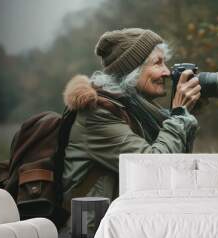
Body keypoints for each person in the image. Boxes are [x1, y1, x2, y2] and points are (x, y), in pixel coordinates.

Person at [61, 28, 201, 209]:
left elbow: (177, 169)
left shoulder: (139, 110)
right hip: (93, 230)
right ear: (132, 71)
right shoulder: (97, 115)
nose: (167, 72)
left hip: (126, 222)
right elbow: (154, 168)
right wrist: (179, 115)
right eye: (157, 63)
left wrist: (184, 117)